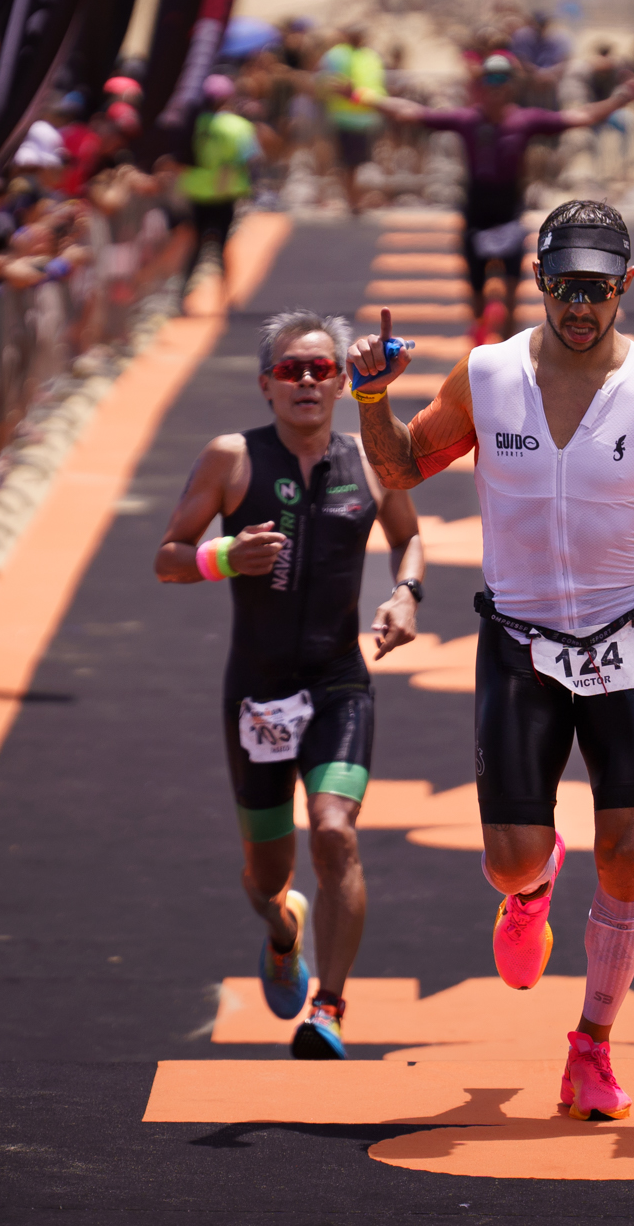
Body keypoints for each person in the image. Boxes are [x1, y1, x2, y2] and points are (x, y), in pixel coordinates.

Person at [348, 201, 634, 1121]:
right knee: (509, 863)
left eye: (596, 289)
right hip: (516, 640)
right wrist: (369, 395)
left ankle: (591, 1045)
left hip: (621, 640)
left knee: (629, 857)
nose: (579, 306)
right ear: (540, 284)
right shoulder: (485, 376)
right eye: (562, 287)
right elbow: (398, 471)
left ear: (625, 286)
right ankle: (532, 888)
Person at [154, 311, 426, 1060]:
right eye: (290, 369)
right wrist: (223, 557)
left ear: (342, 380)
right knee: (264, 877)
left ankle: (328, 1007)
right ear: (265, 383)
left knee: (335, 831)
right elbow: (168, 555)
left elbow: (408, 536)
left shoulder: (371, 458)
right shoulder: (231, 458)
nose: (306, 381)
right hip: (258, 693)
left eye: (320, 368)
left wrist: (406, 593)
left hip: (340, 680)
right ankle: (283, 933)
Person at [377, 56, 634, 344]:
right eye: (490, 81)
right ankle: (479, 344)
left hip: (509, 214)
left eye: (502, 82)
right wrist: (360, 96)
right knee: (476, 294)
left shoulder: (524, 120)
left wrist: (622, 97)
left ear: (511, 87)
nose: (495, 89)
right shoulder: (468, 119)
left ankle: (506, 350)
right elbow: (409, 113)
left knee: (511, 290)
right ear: (481, 87)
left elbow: (582, 116)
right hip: (476, 213)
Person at [174, 73, 259, 303]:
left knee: (195, 246)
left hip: (196, 190)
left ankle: (181, 296)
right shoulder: (237, 126)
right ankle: (227, 295)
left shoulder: (193, 124)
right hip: (224, 193)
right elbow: (251, 158)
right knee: (222, 245)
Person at [318, 26, 386, 215]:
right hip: (345, 118)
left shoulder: (370, 56)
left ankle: (358, 199)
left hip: (367, 116)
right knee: (348, 164)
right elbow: (327, 82)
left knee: (362, 163)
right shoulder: (336, 55)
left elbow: (374, 83)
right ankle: (352, 201)